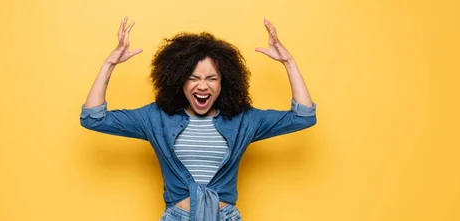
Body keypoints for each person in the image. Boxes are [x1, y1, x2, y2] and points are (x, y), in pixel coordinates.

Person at [80, 16, 317, 221]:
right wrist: (109, 64)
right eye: (193, 77)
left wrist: (289, 62)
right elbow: (93, 118)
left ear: (224, 83)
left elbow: (303, 117)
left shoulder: (244, 120)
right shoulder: (156, 118)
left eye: (212, 78)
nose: (202, 86)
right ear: (179, 80)